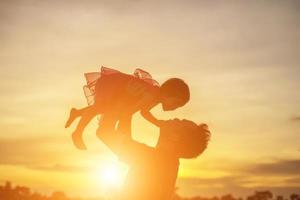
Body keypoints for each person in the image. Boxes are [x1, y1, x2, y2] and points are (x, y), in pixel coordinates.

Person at [65, 66, 190, 150]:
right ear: (169, 94)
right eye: (176, 103)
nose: (175, 108)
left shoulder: (156, 98)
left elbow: (144, 112)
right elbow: (127, 112)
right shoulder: (151, 95)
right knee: (99, 107)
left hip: (119, 91)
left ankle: (77, 113)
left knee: (104, 108)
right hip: (112, 84)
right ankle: (77, 132)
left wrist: (157, 123)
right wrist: (125, 135)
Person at [97, 115, 211, 200]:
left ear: (174, 137)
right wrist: (126, 113)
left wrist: (117, 107)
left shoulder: (156, 160)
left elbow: (104, 133)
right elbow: (124, 141)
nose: (176, 118)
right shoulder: (168, 161)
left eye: (180, 122)